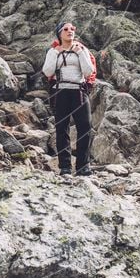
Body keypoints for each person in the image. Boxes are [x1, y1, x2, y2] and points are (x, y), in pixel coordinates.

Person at [42, 21, 94, 176]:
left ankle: (83, 166)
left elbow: (88, 72)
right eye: (66, 29)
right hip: (60, 92)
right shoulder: (53, 51)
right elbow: (47, 71)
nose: (70, 31)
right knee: (61, 128)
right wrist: (57, 53)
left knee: (85, 128)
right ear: (59, 33)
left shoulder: (82, 49)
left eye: (72, 29)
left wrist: (79, 53)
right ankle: (65, 166)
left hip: (79, 91)